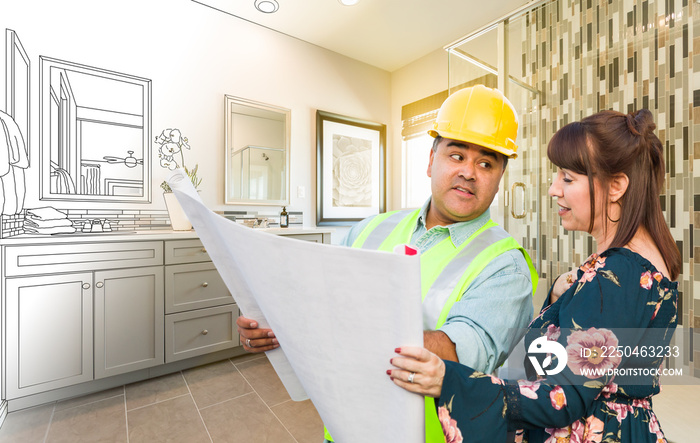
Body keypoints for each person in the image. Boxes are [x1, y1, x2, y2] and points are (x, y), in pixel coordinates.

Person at [237, 84, 538, 442]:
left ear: (500, 179)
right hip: (343, 429)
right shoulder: (369, 228)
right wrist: (272, 326)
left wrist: (318, 325)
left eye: (486, 163)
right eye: (456, 155)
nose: (469, 172)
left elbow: (462, 355)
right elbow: (315, 301)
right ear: (430, 161)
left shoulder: (505, 264)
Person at [388, 108, 681, 443]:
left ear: (616, 186)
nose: (555, 189)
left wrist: (448, 378)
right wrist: (562, 294)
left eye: (568, 178)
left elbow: (562, 398)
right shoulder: (640, 263)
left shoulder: (618, 273)